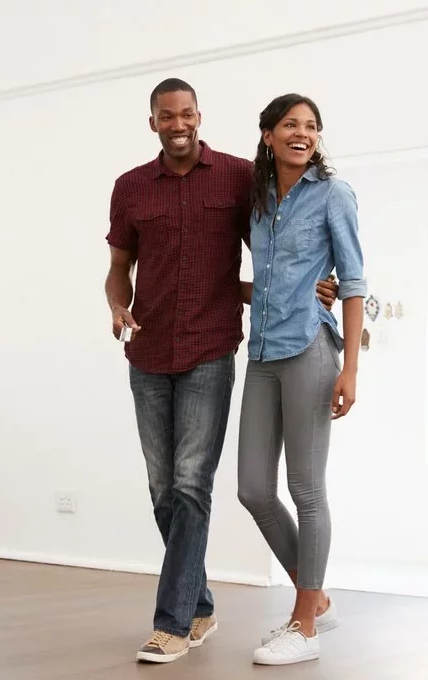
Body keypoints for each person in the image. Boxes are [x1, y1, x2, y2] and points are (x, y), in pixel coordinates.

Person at [104, 78, 338, 664]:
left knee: (191, 484)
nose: (178, 123)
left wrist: (304, 289)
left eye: (186, 114)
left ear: (199, 117)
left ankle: (173, 623)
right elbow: (118, 266)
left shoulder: (237, 178)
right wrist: (116, 303)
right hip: (148, 352)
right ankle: (202, 604)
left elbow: (273, 244)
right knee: (163, 490)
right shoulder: (130, 188)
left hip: (211, 349)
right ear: (152, 121)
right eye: (166, 116)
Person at [236, 93, 366, 666]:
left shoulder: (333, 194)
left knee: (306, 489)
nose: (302, 133)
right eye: (290, 124)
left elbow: (355, 281)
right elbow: (261, 276)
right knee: (253, 490)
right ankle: (318, 599)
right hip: (262, 352)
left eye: (311, 127)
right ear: (267, 135)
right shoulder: (258, 201)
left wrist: (350, 369)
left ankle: (305, 625)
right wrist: (280, 289)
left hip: (311, 349)